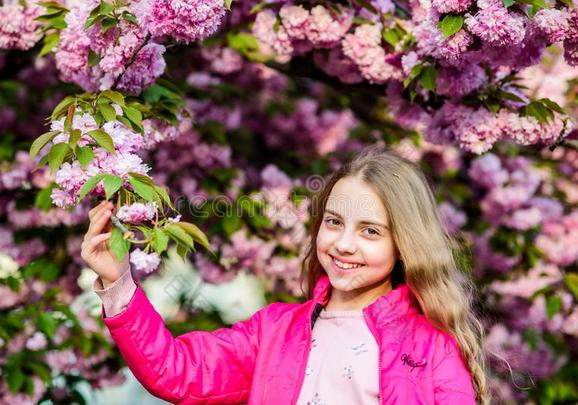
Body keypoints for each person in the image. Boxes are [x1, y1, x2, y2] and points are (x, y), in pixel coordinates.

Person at [82, 147, 489, 404]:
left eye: (370, 231)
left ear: (404, 243)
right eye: (334, 222)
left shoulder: (432, 345)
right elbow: (178, 372)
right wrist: (119, 284)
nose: (345, 244)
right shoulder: (275, 331)